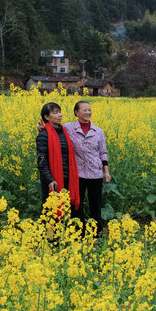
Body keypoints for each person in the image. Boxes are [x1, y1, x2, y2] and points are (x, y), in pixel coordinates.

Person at [64, 100, 111, 236]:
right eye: (85, 110)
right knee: (76, 203)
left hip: (95, 172)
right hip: (77, 173)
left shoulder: (98, 131)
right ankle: (79, 230)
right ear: (76, 112)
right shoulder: (69, 128)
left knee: (95, 203)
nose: (88, 112)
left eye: (89, 110)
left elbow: (103, 152)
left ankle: (96, 230)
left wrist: (106, 172)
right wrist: (42, 129)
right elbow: (55, 130)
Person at [36, 102, 80, 216]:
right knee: (50, 210)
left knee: (65, 209)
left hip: (67, 178)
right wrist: (49, 179)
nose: (60, 115)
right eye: (55, 113)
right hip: (52, 181)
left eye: (60, 112)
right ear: (46, 117)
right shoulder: (43, 135)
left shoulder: (65, 132)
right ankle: (49, 234)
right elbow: (42, 161)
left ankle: (62, 233)